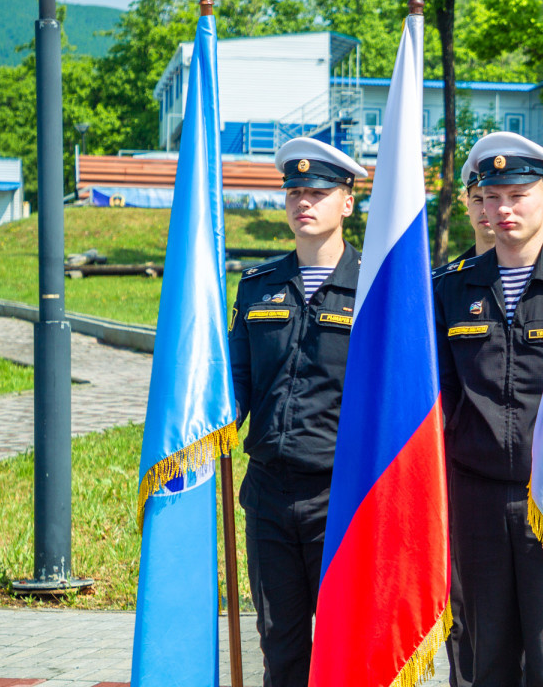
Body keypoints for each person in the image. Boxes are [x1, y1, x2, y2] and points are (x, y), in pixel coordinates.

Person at [433, 130, 543, 687]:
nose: (503, 209)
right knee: (479, 658)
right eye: (491, 196)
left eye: (517, 194)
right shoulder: (448, 287)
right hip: (475, 498)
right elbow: (434, 402)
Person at [228, 137, 368, 687]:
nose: (303, 203)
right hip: (267, 493)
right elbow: (236, 386)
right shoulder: (258, 286)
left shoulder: (375, 288)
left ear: (347, 202)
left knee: (345, 650)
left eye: (317, 192)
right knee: (280, 649)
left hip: (342, 497)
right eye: (294, 192)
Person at [440, 161, 494, 687]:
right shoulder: (446, 287)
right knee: (477, 641)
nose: (491, 211)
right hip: (471, 487)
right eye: (480, 198)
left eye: (503, 196)